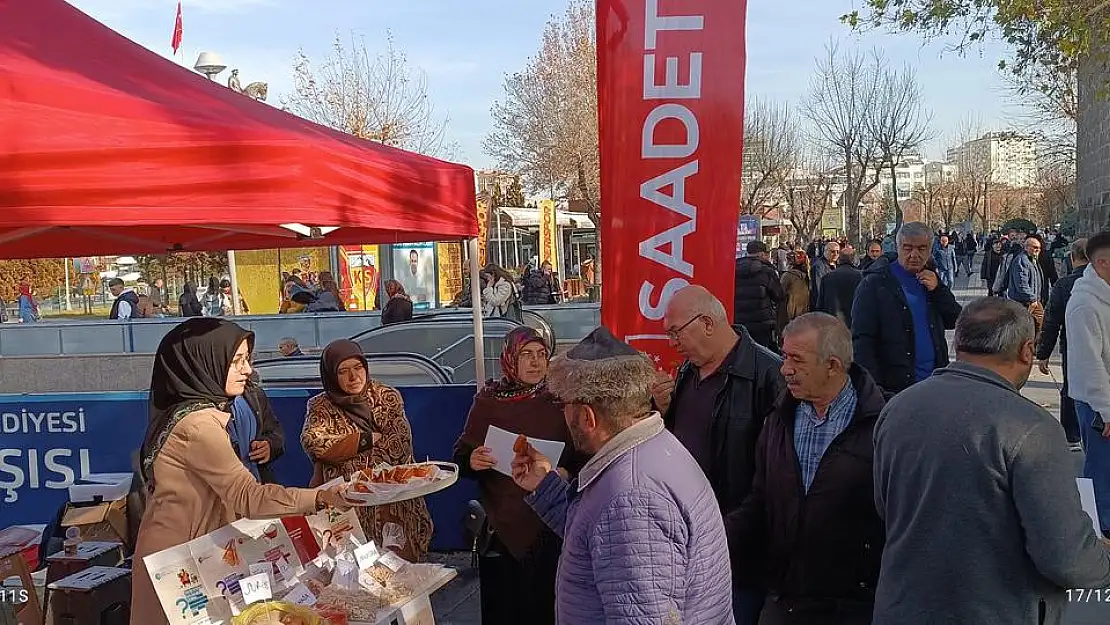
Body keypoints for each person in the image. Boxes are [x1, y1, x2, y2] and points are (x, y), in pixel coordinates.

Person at [872, 297, 1110, 624]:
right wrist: (1100, 557)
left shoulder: (898, 408)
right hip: (995, 610)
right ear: (1027, 351)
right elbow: (1065, 557)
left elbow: (886, 507)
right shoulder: (1032, 427)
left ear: (958, 341)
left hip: (902, 606)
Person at [511, 327, 735, 624]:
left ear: (588, 418)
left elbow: (643, 615)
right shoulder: (651, 448)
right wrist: (546, 487)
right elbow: (602, 539)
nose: (563, 414)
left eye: (565, 405)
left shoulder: (631, 494)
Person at [130, 318, 345, 625]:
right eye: (237, 361)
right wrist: (323, 497)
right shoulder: (199, 425)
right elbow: (248, 497)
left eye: (247, 359)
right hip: (179, 562)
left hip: (195, 552)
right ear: (206, 364)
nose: (247, 370)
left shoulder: (200, 411)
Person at [729, 313, 885, 625]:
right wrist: (712, 541)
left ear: (833, 366)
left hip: (854, 607)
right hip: (784, 598)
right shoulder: (778, 419)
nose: (785, 369)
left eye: (797, 360)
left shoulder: (882, 426)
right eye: (785, 356)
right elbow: (760, 500)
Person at [654, 285, 784, 624]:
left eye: (675, 332)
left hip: (739, 551)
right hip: (687, 540)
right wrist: (664, 411)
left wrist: (724, 532)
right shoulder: (687, 371)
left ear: (708, 323)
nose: (672, 343)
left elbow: (775, 478)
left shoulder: (768, 375)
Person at [452, 327, 586, 625]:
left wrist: (565, 472)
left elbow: (585, 454)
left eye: (541, 355)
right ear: (511, 358)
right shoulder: (488, 401)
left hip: (552, 526)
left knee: (546, 609)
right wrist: (473, 461)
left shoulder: (561, 399)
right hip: (502, 527)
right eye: (527, 355)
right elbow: (461, 456)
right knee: (504, 609)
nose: (536, 363)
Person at [301, 339, 433, 561]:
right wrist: (365, 440)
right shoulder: (320, 406)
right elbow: (315, 444)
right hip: (347, 509)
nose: (354, 377)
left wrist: (343, 450)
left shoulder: (386, 397)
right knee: (353, 574)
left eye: (358, 368)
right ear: (332, 375)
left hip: (394, 505)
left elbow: (398, 447)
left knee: (399, 575)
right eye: (343, 371)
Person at [851, 222, 962, 394]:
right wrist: (873, 388)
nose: (914, 254)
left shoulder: (931, 278)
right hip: (894, 387)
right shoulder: (875, 283)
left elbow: (954, 319)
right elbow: (862, 339)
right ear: (898, 248)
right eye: (908, 248)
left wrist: (938, 290)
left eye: (921, 248)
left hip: (935, 383)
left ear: (931, 249)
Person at [1066, 231, 1110, 535]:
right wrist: (1107, 410)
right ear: (1104, 263)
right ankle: (1098, 537)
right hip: (1098, 405)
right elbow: (1088, 365)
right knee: (1101, 476)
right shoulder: (1085, 304)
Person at [1036, 238, 1088, 448]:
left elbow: (1051, 322)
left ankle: (1072, 435)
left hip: (1074, 346)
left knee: (1071, 388)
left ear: (1072, 257)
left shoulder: (1065, 285)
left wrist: (1043, 353)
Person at [733, 240, 785, 351]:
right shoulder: (766, 271)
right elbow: (779, 295)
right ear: (762, 254)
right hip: (762, 325)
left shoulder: (733, 269)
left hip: (738, 323)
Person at [1007, 236, 1047, 332]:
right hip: (1025, 301)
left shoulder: (1031, 260)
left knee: (1033, 326)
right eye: (1035, 247)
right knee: (1033, 326)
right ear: (1026, 247)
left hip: (1032, 300)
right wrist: (1032, 299)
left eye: (1039, 248)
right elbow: (1021, 283)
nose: (1038, 250)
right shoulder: (1022, 260)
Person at [816, 253, 863, 328]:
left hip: (833, 320)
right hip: (855, 320)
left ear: (839, 261)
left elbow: (820, 303)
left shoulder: (827, 277)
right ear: (853, 261)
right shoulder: (861, 276)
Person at [777, 250, 810, 334]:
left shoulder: (788, 275)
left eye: (788, 259)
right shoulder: (807, 275)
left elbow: (779, 292)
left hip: (788, 313)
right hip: (803, 311)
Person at [809, 241, 839, 309]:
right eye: (832, 251)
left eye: (837, 252)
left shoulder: (838, 264)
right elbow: (818, 289)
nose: (835, 254)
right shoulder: (818, 267)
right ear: (825, 251)